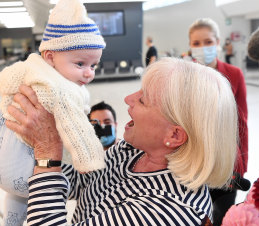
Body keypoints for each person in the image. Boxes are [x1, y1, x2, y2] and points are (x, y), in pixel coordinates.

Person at [5, 57, 238, 225]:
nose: (128, 99)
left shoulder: (169, 211)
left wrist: (48, 153)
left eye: (143, 99)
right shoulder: (133, 151)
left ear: (174, 135)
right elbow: (85, 182)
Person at [0, 0, 106, 226]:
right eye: (80, 64)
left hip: (7, 157)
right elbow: (76, 128)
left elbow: (4, 83)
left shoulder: (29, 66)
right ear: (51, 56)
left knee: (15, 209)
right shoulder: (60, 88)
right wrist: (90, 161)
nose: (89, 73)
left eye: (94, 65)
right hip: (25, 168)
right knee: (39, 191)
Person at [188, 18, 248, 225]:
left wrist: (241, 165)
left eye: (207, 41)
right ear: (190, 45)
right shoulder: (183, 77)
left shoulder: (234, 74)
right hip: (193, 161)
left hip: (226, 161)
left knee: (223, 215)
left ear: (217, 41)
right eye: (196, 43)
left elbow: (241, 122)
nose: (202, 47)